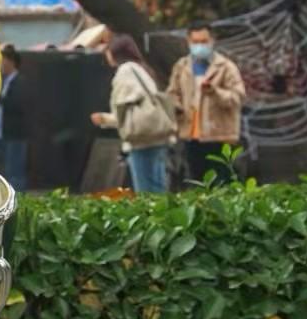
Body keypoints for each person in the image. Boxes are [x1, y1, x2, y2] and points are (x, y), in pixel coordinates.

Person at [90, 34, 174, 193]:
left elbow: (122, 109)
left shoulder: (125, 71)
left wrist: (105, 119)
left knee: (145, 189)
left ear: (115, 53)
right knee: (159, 186)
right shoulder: (141, 69)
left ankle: (151, 218)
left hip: (140, 139)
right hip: (157, 135)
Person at [167, 24, 246, 185]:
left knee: (222, 183)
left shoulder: (226, 67)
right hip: (190, 135)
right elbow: (172, 93)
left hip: (219, 136)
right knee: (197, 183)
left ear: (212, 41)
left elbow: (238, 97)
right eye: (195, 42)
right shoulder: (181, 67)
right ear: (188, 41)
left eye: (204, 41)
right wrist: (176, 106)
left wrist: (214, 91)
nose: (199, 46)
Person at [0, 45, 29, 192]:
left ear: (11, 62)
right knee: (5, 168)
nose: (1, 65)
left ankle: (18, 198)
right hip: (0, 132)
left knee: (15, 169)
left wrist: (1, 99)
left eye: (3, 61)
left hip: (14, 133)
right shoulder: (3, 81)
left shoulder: (20, 81)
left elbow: (19, 104)